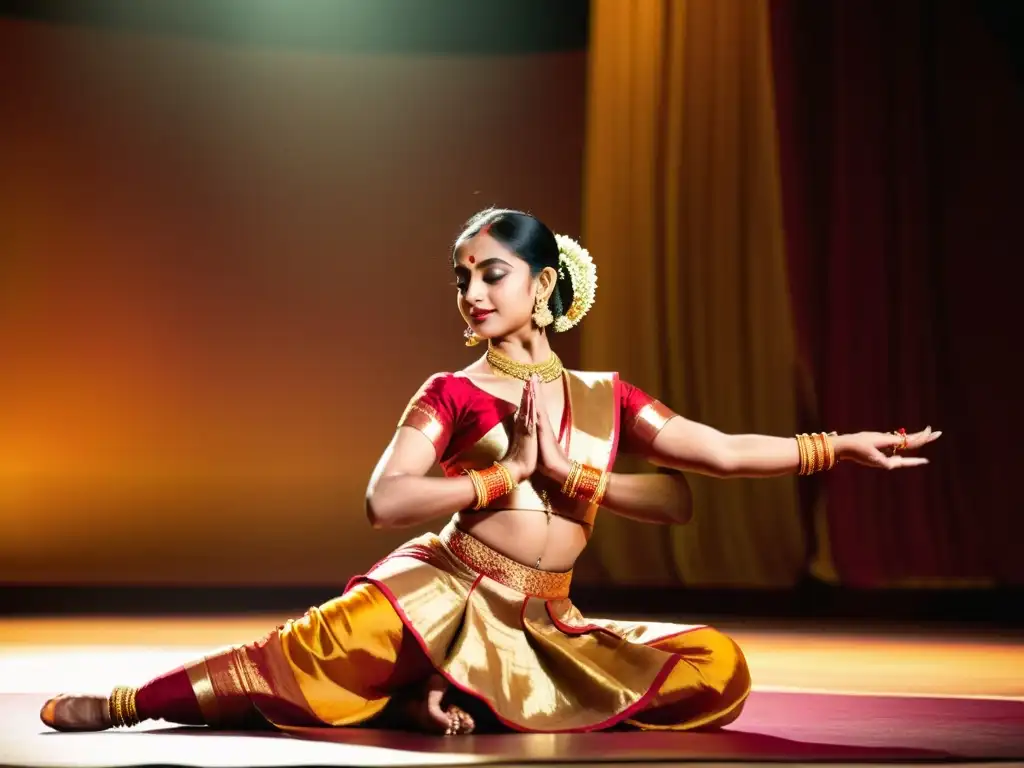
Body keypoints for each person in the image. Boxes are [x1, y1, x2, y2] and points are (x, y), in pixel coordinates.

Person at [40, 208, 939, 736]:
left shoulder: (603, 395)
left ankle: (422, 699)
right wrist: (506, 478)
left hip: (545, 617)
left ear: (545, 285)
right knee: (301, 656)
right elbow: (384, 499)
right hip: (445, 588)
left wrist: (839, 446)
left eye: (492, 274)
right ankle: (124, 702)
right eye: (461, 278)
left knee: (718, 666)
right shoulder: (456, 391)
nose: (472, 292)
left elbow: (715, 460)